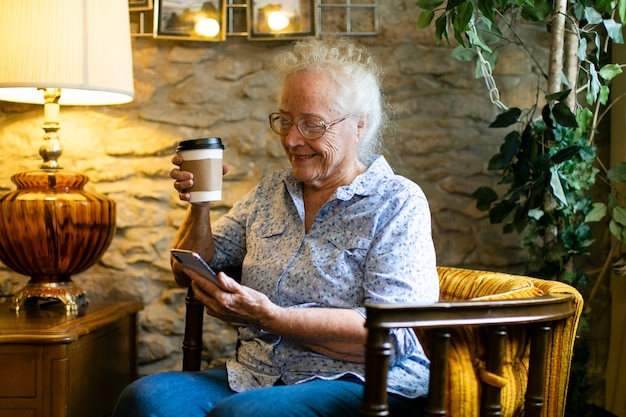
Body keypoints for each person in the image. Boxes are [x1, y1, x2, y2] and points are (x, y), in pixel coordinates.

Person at [112, 37, 439, 417]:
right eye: (284, 121)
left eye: (311, 125)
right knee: (145, 398)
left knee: (243, 414)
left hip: (362, 382)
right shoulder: (271, 192)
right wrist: (200, 205)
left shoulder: (396, 201)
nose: (292, 139)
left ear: (359, 126)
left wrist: (272, 318)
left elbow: (392, 335)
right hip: (257, 375)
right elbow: (187, 268)